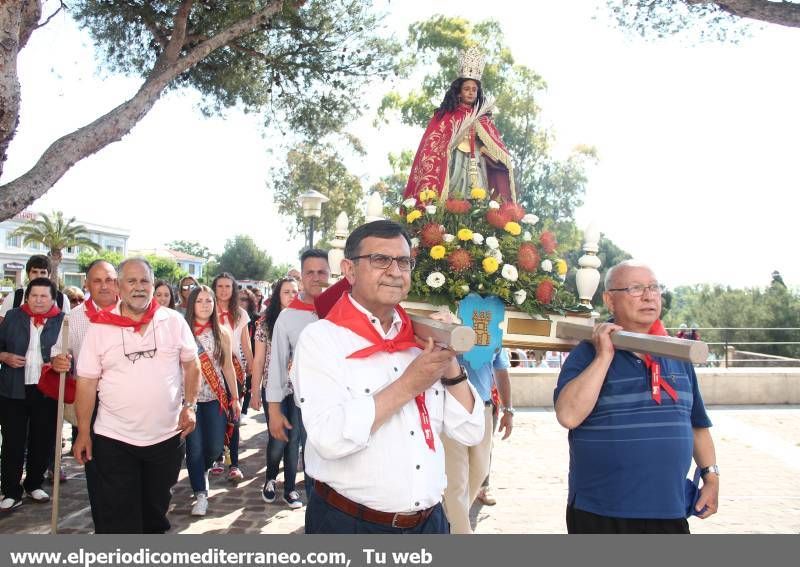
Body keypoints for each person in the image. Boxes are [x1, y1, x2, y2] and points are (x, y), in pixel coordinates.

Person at [293, 220, 484, 534]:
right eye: (380, 260)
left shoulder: (418, 338)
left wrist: (448, 359)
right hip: (350, 525)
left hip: (430, 524)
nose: (396, 271)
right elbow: (328, 438)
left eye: (404, 261)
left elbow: (470, 431)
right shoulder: (321, 339)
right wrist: (409, 384)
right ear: (349, 271)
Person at [554, 260, 719, 534]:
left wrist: (711, 476)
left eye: (654, 287)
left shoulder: (677, 354)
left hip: (671, 509)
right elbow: (568, 415)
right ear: (609, 300)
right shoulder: (587, 353)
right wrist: (604, 355)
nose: (649, 295)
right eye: (635, 288)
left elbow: (696, 424)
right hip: (602, 512)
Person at [72, 258, 200, 533]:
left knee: (155, 515)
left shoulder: (173, 321)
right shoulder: (99, 328)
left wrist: (190, 405)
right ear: (119, 286)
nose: (139, 287)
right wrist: (83, 431)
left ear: (153, 286)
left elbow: (192, 364)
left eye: (145, 281)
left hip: (165, 438)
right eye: (131, 281)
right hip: (114, 439)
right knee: (120, 517)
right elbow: (86, 383)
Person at [50, 259, 118, 525]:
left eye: (109, 279)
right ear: (86, 284)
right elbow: (59, 350)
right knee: (97, 470)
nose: (104, 286)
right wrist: (59, 361)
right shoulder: (74, 318)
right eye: (97, 280)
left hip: (126, 403)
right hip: (90, 402)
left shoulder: (131, 314)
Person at [404, 47, 514, 202]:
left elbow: (495, 147)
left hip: (477, 159)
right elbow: (435, 145)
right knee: (456, 191)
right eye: (466, 89)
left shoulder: (482, 118)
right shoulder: (447, 115)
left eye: (474, 90)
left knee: (479, 192)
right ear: (459, 92)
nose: (470, 92)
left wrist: (485, 147)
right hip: (455, 158)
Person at [265, 250, 330, 508]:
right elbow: (277, 365)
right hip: (307, 406)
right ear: (301, 276)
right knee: (313, 467)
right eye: (310, 272)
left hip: (344, 402)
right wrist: (273, 410)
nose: (316, 278)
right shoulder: (288, 317)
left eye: (322, 272)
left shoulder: (344, 308)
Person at [0, 278, 64, 512]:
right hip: (13, 389)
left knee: (42, 439)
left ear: (52, 298)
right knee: (13, 441)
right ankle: (10, 491)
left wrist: (62, 361)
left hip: (45, 389)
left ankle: (34, 483)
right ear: (27, 297)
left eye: (43, 296)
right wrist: (4, 356)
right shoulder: (13, 317)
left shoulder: (62, 321)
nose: (38, 300)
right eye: (34, 295)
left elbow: (72, 352)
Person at [183, 285, 241, 516]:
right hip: (189, 399)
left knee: (216, 446)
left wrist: (234, 397)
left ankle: (203, 470)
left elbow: (227, 367)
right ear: (191, 304)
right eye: (200, 301)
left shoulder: (222, 332)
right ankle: (200, 493)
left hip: (215, 397)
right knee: (194, 447)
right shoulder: (183, 330)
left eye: (209, 301)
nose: (205, 305)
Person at [442, 348, 512, 533]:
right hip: (451, 407)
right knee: (456, 480)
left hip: (484, 407)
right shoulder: (454, 325)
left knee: (480, 471)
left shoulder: (493, 333)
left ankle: (448, 522)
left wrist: (508, 409)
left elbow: (501, 371)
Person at [249, 277, 299, 505]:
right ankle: (270, 479)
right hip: (274, 389)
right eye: (287, 292)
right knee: (278, 438)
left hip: (298, 391)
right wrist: (255, 392)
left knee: (294, 439)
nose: (292, 296)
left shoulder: (306, 321)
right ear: (278, 295)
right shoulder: (265, 324)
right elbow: (258, 361)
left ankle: (290, 488)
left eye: (295, 292)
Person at [209, 273, 253, 483]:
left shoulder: (241, 314)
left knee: (233, 416)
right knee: (216, 415)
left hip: (233, 368)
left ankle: (233, 463)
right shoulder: (207, 309)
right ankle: (217, 457)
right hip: (212, 370)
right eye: (220, 286)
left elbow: (246, 343)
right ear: (214, 288)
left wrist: (252, 370)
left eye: (228, 286)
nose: (224, 290)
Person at [0, 255, 70, 323]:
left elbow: (67, 327)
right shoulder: (14, 297)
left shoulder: (61, 299)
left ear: (49, 275)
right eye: (34, 272)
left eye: (43, 272)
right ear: (28, 274)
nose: (38, 276)